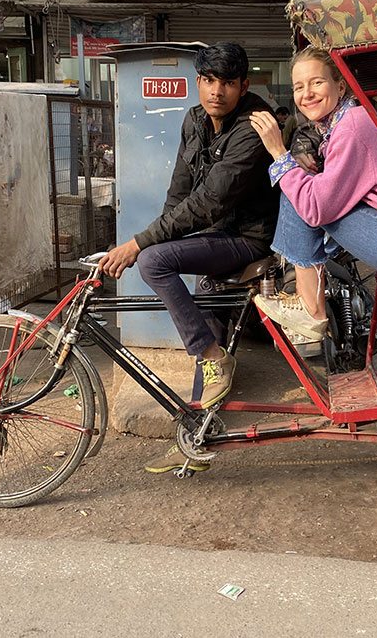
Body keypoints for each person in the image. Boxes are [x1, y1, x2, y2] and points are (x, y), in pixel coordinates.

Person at [97, 43, 279, 473]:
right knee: (207, 325)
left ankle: (214, 358)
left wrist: (143, 244)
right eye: (209, 81)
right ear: (199, 82)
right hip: (215, 237)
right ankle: (198, 438)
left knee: (153, 265)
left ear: (243, 86)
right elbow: (179, 192)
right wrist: (161, 236)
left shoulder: (253, 127)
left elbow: (212, 200)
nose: (217, 91)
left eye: (228, 83)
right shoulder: (194, 120)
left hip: (249, 240)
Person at [248, 47, 377, 343]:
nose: (307, 93)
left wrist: (278, 152)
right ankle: (311, 299)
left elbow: (316, 207)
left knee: (298, 194)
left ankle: (310, 308)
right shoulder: (347, 121)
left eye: (317, 83)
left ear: (340, 85)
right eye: (298, 86)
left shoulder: (353, 126)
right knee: (300, 183)